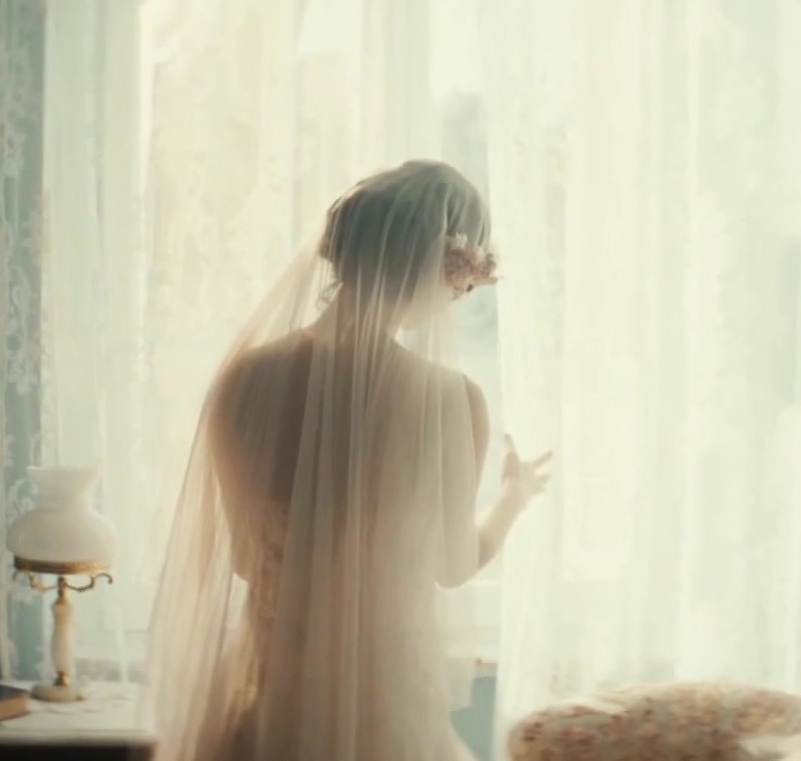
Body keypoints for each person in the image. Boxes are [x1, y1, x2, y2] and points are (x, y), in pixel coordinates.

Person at [147, 160, 553, 761]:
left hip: (269, 702)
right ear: (444, 269)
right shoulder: (449, 400)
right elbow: (453, 564)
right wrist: (513, 500)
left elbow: (243, 560)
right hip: (384, 715)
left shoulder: (243, 381)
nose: (461, 296)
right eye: (464, 281)